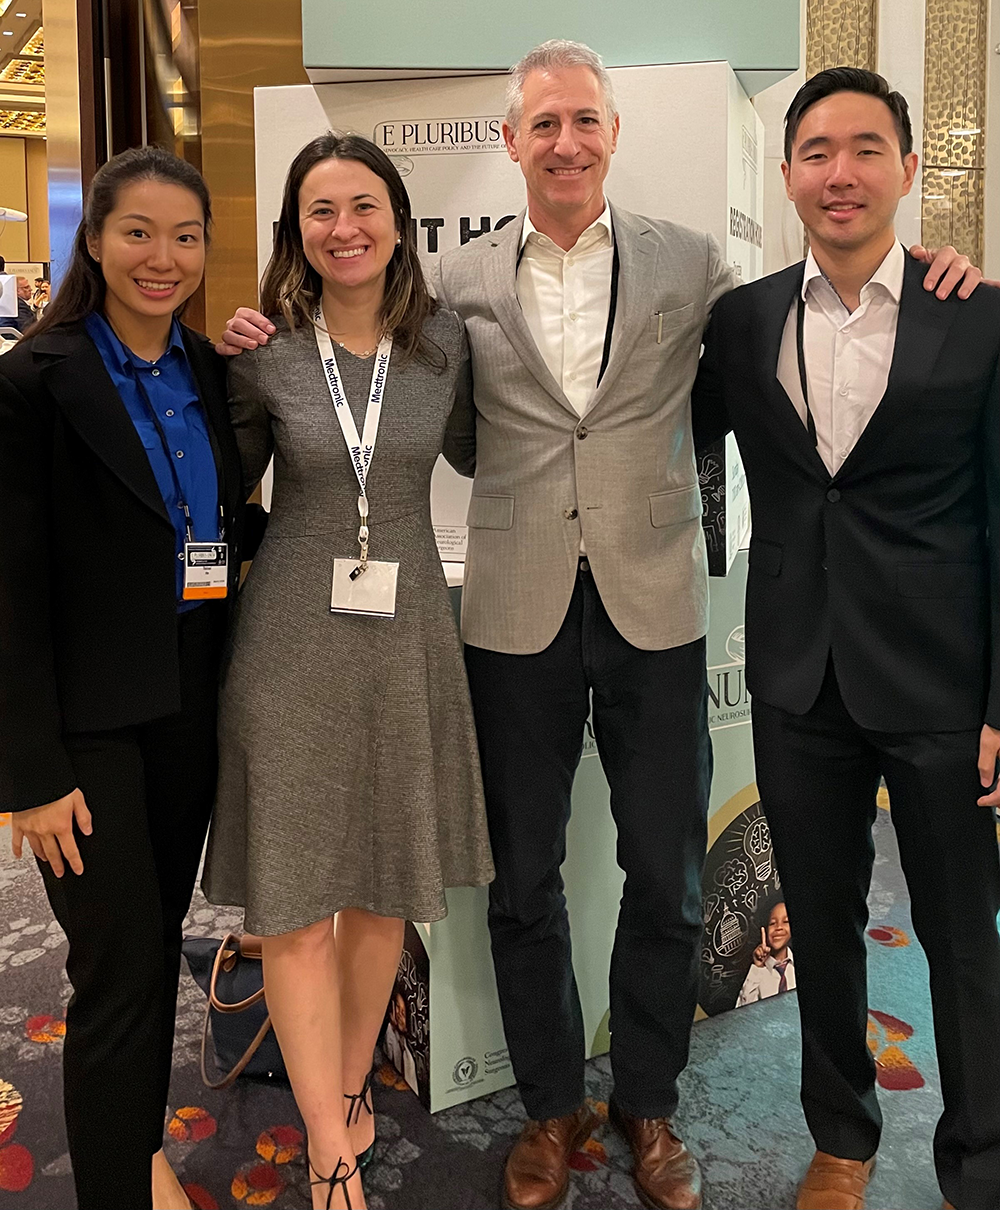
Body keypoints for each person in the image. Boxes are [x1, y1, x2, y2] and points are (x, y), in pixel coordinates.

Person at [220, 43, 981, 1210]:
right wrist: (252, 330)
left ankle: (650, 1101)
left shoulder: (696, 270)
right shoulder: (454, 293)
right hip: (514, 611)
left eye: (585, 120)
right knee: (523, 879)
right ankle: (544, 1109)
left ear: (612, 135)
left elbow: (744, 412)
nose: (565, 142)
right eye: (543, 125)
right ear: (512, 143)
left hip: (656, 607)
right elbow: (427, 412)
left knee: (666, 875)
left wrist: (944, 269)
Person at [693, 67, 1000, 1210]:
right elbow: (665, 437)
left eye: (866, 148)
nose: (840, 172)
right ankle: (842, 1142)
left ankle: (978, 1160)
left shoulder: (978, 314)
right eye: (816, 151)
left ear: (909, 171)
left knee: (963, 937)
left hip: (938, 682)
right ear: (785, 176)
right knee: (816, 920)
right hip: (795, 674)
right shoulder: (740, 320)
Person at [200, 132, 493, 1210]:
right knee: (292, 905)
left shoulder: (444, 347)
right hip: (287, 650)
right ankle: (328, 1135)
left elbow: (486, 449)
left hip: (408, 636)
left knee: (379, 896)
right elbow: (222, 489)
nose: (345, 227)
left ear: (399, 221)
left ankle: (347, 1075)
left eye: (363, 205)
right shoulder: (265, 348)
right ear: (297, 233)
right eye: (320, 211)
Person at [0, 147, 244, 1210]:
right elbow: (4, 588)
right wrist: (26, 770)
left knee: (152, 950)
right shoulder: (30, 384)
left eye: (185, 236)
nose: (163, 256)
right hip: (85, 726)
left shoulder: (210, 371)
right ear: (92, 240)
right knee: (117, 967)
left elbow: (219, 531)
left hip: (190, 702)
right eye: (137, 232)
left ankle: (135, 1151)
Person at [736, 900, 795, 1006]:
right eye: (772, 923)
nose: (778, 927)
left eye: (786, 921)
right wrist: (757, 968)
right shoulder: (758, 973)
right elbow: (744, 1014)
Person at [383, 989, 418, 1091]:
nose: (399, 1014)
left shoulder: (410, 1054)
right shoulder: (393, 1033)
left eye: (403, 1012)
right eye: (397, 1007)